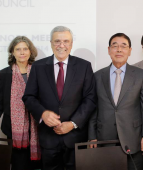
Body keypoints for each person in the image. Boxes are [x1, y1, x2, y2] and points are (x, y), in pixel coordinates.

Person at [22, 26, 97, 170]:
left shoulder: (84, 66)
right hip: (48, 138)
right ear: (50, 43)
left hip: (75, 138)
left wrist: (73, 123)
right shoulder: (38, 67)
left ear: (71, 44)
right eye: (57, 41)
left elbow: (90, 99)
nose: (61, 45)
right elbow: (29, 97)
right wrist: (43, 113)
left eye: (66, 41)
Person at [88, 33, 143, 170]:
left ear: (130, 51)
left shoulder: (140, 75)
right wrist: (92, 136)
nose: (119, 50)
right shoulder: (97, 76)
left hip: (134, 139)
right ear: (108, 50)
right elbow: (93, 108)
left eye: (123, 46)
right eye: (115, 46)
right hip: (104, 138)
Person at [0, 36, 41, 170]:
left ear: (30, 51)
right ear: (12, 52)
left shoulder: (39, 72)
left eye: (25, 49)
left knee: (37, 165)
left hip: (38, 127)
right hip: (13, 128)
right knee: (19, 164)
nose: (22, 52)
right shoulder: (3, 74)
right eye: (18, 49)